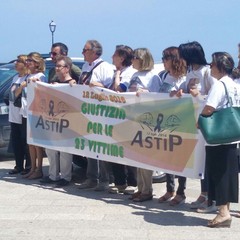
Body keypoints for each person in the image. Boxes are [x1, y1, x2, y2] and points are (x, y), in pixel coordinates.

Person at [177, 41, 217, 213]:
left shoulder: (207, 71)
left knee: (207, 160)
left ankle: (211, 197)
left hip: (205, 121)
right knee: (199, 159)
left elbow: (216, 94)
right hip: (191, 122)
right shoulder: (190, 72)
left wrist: (199, 95)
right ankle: (204, 193)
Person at [200, 52, 239, 228]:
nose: (210, 67)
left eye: (212, 64)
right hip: (231, 136)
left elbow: (209, 107)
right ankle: (225, 211)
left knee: (219, 174)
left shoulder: (219, 85)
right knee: (228, 174)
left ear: (220, 67)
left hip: (218, 137)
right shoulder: (235, 85)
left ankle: (223, 213)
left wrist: (200, 119)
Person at [75, 40, 114, 191]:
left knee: (102, 146)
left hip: (100, 112)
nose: (82, 52)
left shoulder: (105, 67)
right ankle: (91, 177)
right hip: (87, 111)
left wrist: (101, 87)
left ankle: (105, 179)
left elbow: (112, 90)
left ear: (93, 52)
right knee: (89, 146)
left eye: (84, 50)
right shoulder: (85, 66)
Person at [127, 47, 162, 202]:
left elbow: (157, 98)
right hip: (134, 117)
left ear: (141, 59)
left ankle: (147, 190)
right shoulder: (134, 74)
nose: (132, 60)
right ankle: (140, 187)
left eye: (134, 57)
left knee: (146, 157)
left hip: (147, 120)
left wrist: (145, 94)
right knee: (137, 157)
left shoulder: (153, 76)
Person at [157, 47, 187, 206]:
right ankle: (170, 189)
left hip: (180, 123)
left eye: (165, 58)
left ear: (173, 59)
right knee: (167, 157)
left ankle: (181, 191)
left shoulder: (185, 77)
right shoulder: (166, 76)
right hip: (165, 122)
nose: (163, 61)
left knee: (179, 159)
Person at [41, 56, 75, 187]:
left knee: (65, 150)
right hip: (53, 120)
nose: (56, 68)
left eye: (59, 66)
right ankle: (53, 175)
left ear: (66, 68)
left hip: (66, 121)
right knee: (50, 149)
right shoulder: (54, 82)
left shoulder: (72, 83)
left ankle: (66, 177)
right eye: (56, 66)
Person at [108, 45, 138, 194]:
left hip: (127, 116)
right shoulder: (118, 72)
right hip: (115, 115)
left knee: (128, 148)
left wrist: (118, 75)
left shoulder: (129, 73)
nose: (112, 57)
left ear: (122, 58)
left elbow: (119, 89)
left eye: (115, 55)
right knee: (115, 148)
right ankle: (119, 181)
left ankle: (132, 181)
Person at [17, 52, 47, 180]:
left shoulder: (40, 75)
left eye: (30, 60)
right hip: (26, 111)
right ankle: (33, 168)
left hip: (36, 112)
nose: (27, 63)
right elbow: (17, 93)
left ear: (36, 63)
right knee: (30, 143)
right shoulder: (27, 76)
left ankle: (39, 168)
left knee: (36, 143)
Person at [8, 55, 31, 175]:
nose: (16, 63)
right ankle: (18, 165)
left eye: (19, 61)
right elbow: (11, 96)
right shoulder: (15, 77)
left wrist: (21, 88)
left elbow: (17, 94)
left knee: (24, 140)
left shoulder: (27, 79)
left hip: (23, 113)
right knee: (16, 140)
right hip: (13, 113)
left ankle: (28, 166)